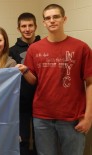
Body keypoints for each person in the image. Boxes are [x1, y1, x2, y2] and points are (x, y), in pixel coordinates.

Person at [16, 4, 92, 155]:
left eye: (56, 16)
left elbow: (90, 83)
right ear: (43, 22)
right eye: (48, 18)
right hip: (42, 118)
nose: (52, 21)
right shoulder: (35, 48)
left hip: (72, 118)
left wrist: (88, 117)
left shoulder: (81, 47)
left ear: (64, 19)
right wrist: (25, 71)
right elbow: (35, 81)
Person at [9, 12, 40, 155]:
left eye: (30, 26)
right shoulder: (11, 51)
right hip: (20, 101)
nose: (27, 29)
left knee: (41, 138)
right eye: (23, 26)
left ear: (36, 26)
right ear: (18, 28)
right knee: (23, 138)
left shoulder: (44, 47)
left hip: (42, 100)